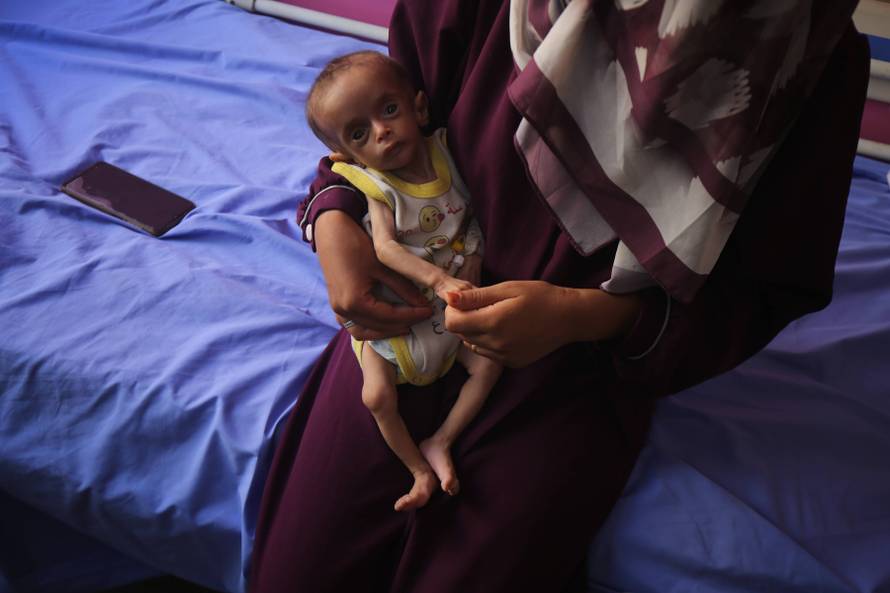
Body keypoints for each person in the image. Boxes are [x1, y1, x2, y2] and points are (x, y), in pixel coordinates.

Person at [251, 1, 868, 591]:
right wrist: (333, 221)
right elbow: (374, 110)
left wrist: (585, 316)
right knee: (302, 569)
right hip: (407, 319)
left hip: (581, 369)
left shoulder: (804, 50)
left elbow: (764, 290)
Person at [303, 50, 502, 511]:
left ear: (420, 108)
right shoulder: (379, 187)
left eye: (389, 110)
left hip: (445, 315)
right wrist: (439, 280)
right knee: (376, 396)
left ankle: (441, 441)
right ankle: (417, 471)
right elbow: (386, 250)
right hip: (395, 319)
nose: (382, 131)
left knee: (490, 365)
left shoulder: (447, 154)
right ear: (346, 155)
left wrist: (473, 256)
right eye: (359, 133)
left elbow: (471, 214)